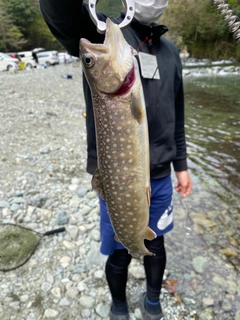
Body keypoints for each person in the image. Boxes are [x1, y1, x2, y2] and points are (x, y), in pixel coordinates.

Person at [39, 1, 193, 319]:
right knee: (120, 250)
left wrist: (182, 166)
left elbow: (177, 117)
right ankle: (118, 305)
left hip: (162, 175)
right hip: (114, 181)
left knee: (155, 244)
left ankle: (152, 301)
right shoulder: (105, 33)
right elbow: (62, 14)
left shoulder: (170, 53)